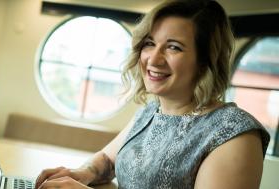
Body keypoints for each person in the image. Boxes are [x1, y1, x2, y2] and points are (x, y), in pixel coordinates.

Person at [35, 0, 271, 188]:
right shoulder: (150, 112)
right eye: (149, 43)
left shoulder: (234, 133)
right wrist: (81, 173)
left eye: (173, 47)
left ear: (204, 60)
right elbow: (107, 161)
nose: (153, 59)